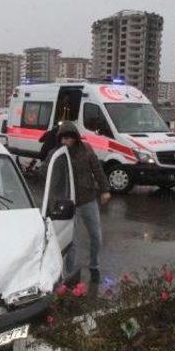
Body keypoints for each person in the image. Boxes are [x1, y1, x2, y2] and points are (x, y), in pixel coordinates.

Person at [57, 121, 111, 285]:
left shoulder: (86, 149)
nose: (65, 141)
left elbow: (97, 169)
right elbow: (50, 174)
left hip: (88, 199)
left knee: (96, 236)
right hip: (69, 202)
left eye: (68, 138)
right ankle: (70, 273)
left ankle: (94, 266)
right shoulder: (60, 153)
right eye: (62, 138)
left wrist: (104, 189)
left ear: (75, 137)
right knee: (71, 241)